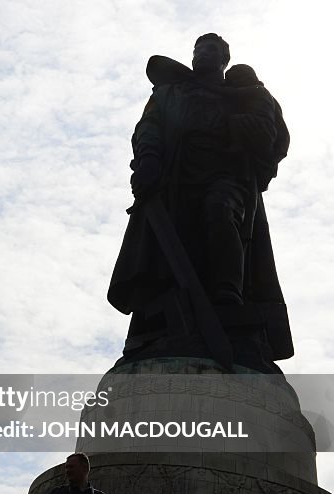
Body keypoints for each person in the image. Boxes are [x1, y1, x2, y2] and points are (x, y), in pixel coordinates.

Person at [108, 33, 292, 368]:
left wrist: (228, 126)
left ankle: (228, 298)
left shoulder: (242, 94)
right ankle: (164, 325)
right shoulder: (170, 92)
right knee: (174, 249)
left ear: (224, 60)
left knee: (221, 212)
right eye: (198, 50)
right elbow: (148, 127)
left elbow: (273, 135)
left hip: (228, 176)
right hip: (176, 180)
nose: (202, 55)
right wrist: (148, 160)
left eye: (211, 50)